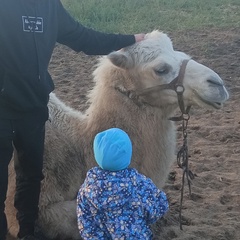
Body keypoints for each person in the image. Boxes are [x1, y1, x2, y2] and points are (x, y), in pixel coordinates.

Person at [0, 0, 146, 239]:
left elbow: (83, 38)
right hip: (2, 107)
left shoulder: (49, 7)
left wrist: (128, 39)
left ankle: (27, 231)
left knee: (31, 174)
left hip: (34, 106)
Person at [77, 128, 169, 239]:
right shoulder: (139, 183)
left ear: (97, 156)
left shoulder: (87, 189)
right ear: (128, 154)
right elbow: (160, 206)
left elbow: (85, 225)